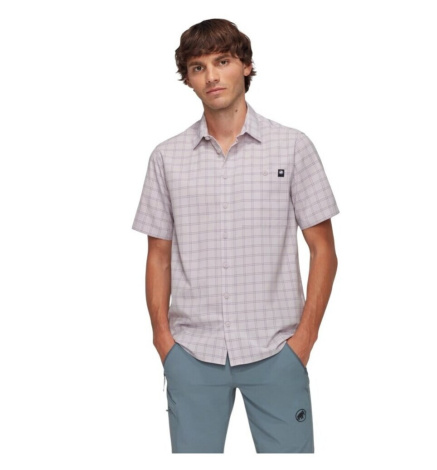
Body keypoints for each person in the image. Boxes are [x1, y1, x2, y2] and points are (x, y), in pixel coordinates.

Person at [132, 18, 339, 454]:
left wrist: (304, 341)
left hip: (276, 351)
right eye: (198, 67)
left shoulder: (293, 147)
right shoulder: (166, 158)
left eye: (222, 61)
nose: (211, 76)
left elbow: (323, 251)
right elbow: (158, 257)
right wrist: (163, 342)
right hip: (192, 354)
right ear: (188, 79)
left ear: (245, 65)